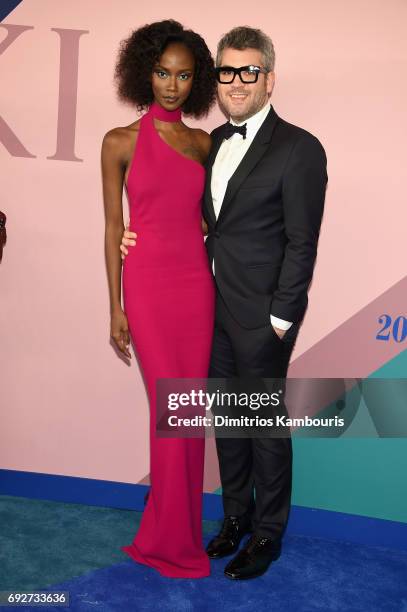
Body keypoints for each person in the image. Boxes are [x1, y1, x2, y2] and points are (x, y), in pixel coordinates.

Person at [121, 26, 328, 580]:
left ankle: (267, 533)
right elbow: (191, 216)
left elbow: (303, 239)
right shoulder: (210, 141)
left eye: (249, 71)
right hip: (206, 306)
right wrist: (132, 237)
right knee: (228, 424)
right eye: (228, 71)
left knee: (263, 425)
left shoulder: (300, 148)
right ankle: (235, 518)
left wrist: (283, 315)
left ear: (269, 79)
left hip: (264, 316)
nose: (237, 82)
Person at [102, 20, 216, 578]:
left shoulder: (204, 144)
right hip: (146, 287)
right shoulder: (119, 141)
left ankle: (174, 534)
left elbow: (210, 222)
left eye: (184, 75)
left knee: (187, 414)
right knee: (167, 411)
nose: (171, 85)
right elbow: (111, 228)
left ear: (197, 80)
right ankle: (168, 541)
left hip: (196, 288)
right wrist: (116, 306)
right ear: (144, 72)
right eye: (162, 72)